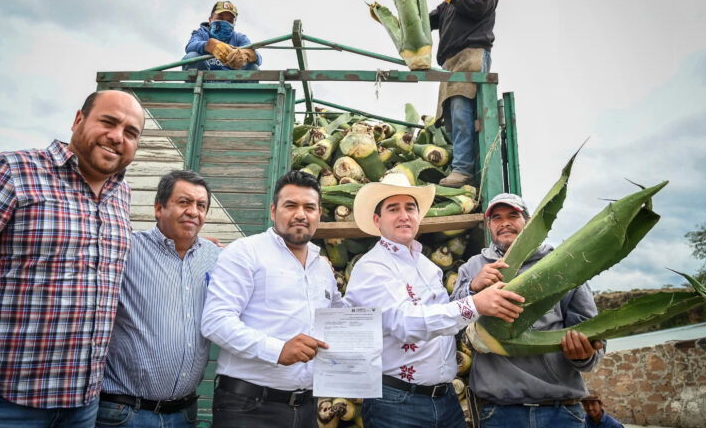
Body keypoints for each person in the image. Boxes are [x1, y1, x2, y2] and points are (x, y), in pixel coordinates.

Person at [0, 90, 145, 427]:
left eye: (131, 132)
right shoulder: (10, 170)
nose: (117, 137)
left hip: (81, 404)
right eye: (109, 122)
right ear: (78, 120)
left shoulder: (121, 195)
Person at [344, 173, 526, 428]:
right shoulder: (371, 267)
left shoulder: (429, 268)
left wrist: (472, 291)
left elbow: (445, 319)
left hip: (446, 398)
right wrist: (475, 305)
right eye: (393, 209)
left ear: (419, 216)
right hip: (397, 402)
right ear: (377, 220)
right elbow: (405, 324)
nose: (404, 215)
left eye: (410, 208)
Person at [201, 170, 344, 428]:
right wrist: (277, 350)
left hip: (307, 409)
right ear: (273, 210)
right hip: (249, 408)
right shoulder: (245, 252)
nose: (300, 214)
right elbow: (216, 321)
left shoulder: (322, 268)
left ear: (318, 215)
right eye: (291, 205)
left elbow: (338, 321)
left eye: (309, 207)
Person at [451, 193, 605, 428]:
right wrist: (472, 289)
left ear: (529, 221)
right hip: (498, 412)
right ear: (489, 225)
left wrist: (584, 356)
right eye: (497, 218)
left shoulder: (562, 262)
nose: (505, 223)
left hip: (560, 410)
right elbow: (451, 324)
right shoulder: (473, 268)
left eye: (513, 215)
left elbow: (593, 335)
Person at [96, 169, 221, 428]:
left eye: (201, 205)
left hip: (185, 414)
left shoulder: (216, 257)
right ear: (158, 208)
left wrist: (309, 257)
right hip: (126, 413)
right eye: (184, 202)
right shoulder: (127, 249)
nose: (193, 211)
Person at [427, 0, 498, 187]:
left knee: (461, 112)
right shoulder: (447, 6)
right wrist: (394, 19)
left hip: (471, 56)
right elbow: (423, 22)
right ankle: (462, 167)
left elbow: (474, 7)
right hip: (450, 63)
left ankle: (463, 170)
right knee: (453, 115)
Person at [182, 0, 262, 71]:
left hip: (232, 84)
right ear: (210, 20)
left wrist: (247, 54)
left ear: (234, 23)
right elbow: (190, 46)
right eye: (220, 18)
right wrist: (209, 45)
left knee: (252, 67)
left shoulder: (239, 38)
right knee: (191, 57)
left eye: (230, 20)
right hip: (204, 82)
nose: (225, 22)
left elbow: (258, 58)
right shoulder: (202, 33)